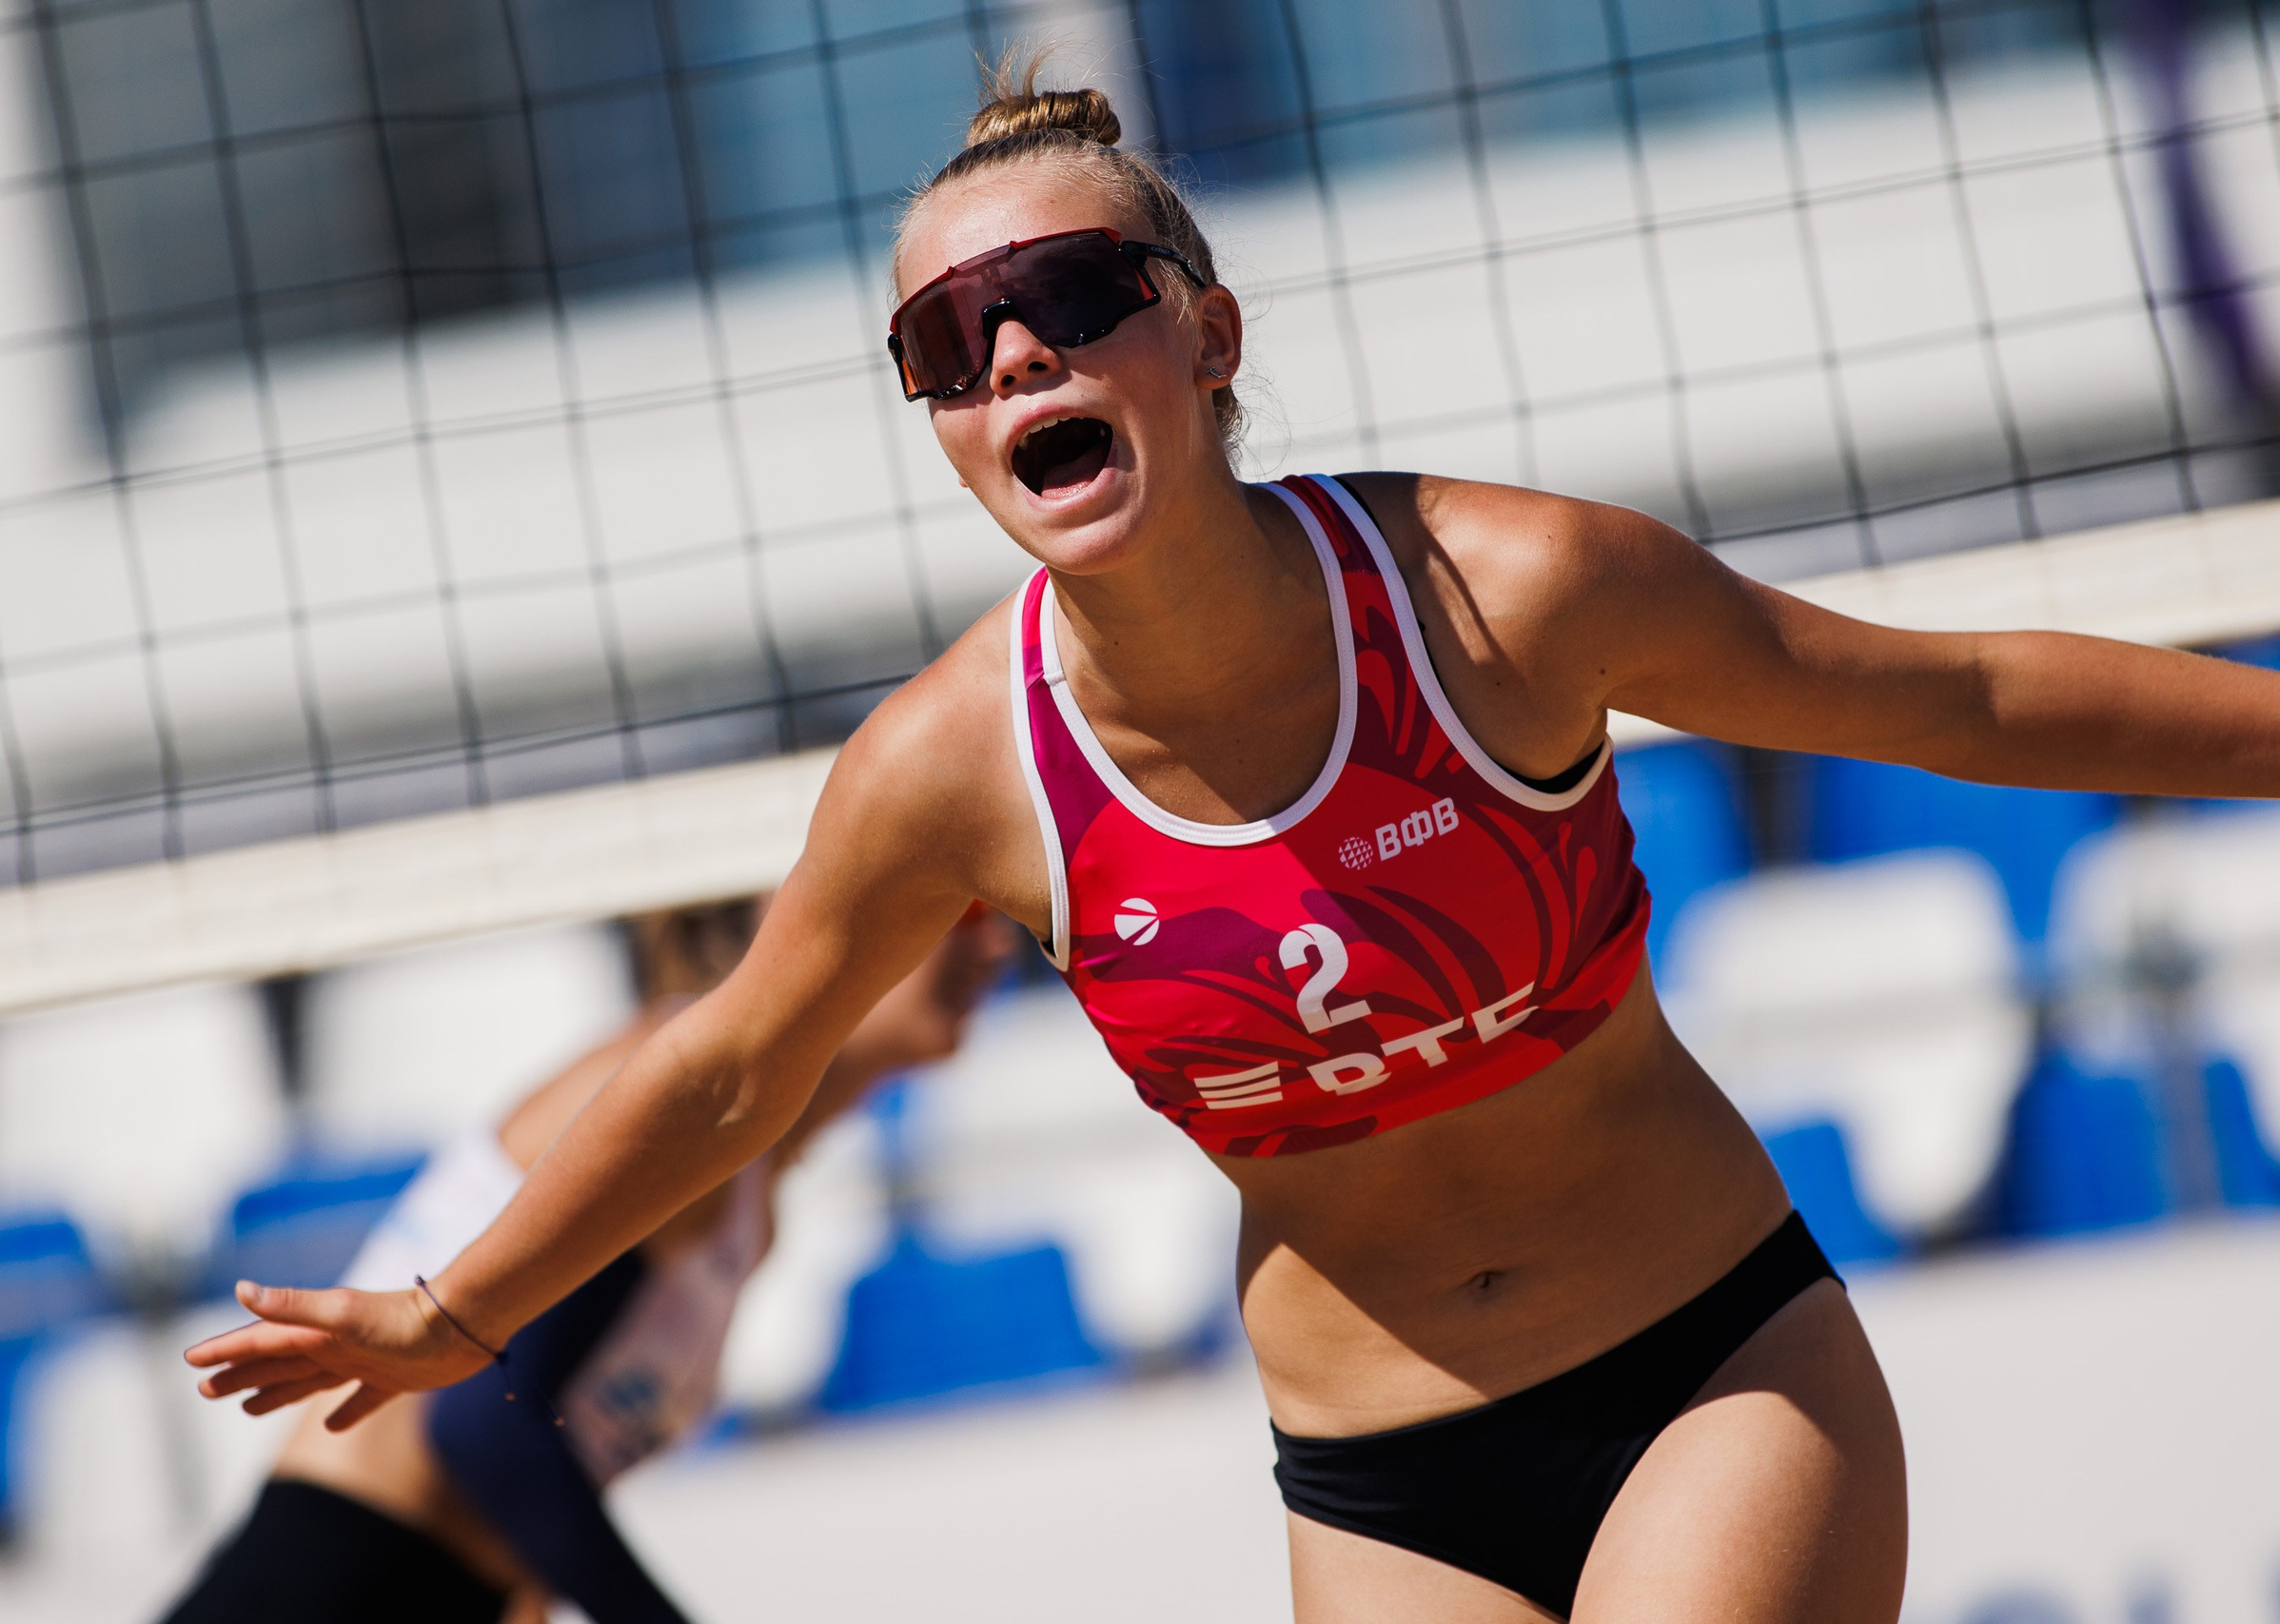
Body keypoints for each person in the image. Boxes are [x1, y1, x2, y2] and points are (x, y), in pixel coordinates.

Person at [187, 60, 2280, 1624]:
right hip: (1376, 1474)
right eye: (948, 340)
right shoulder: (950, 765)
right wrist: (453, 1310)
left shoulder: (1502, 595)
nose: (1016, 349)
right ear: (940, 420)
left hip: (1704, 1365)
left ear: (1206, 333)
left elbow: (1958, 697)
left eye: (1069, 291)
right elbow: (732, 1062)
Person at [164, 901, 1015, 1624]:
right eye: (962, 907)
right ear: (803, 898)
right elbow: (478, 1427)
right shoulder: (688, 1086)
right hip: (336, 1576)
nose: (996, 942)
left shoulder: (751, 1191)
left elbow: (524, 1447)